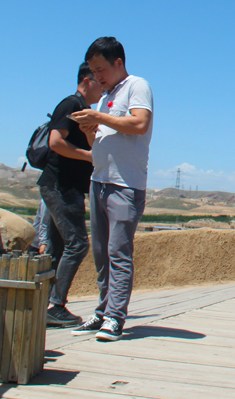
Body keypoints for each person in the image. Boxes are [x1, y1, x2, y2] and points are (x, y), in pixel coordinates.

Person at [70, 38, 153, 342]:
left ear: (118, 62)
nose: (96, 77)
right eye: (92, 71)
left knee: (118, 252)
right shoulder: (107, 97)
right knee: (101, 253)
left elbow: (140, 123)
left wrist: (99, 117)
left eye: (100, 69)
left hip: (124, 184)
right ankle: (104, 310)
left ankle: (116, 317)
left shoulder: (136, 85)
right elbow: (100, 144)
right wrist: (91, 132)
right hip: (100, 181)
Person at [38, 62, 102, 327]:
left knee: (58, 246)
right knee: (77, 244)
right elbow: (55, 141)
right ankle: (55, 305)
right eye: (99, 80)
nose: (103, 86)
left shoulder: (84, 109)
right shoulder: (71, 105)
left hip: (67, 187)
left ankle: (42, 303)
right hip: (60, 186)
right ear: (86, 80)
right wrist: (89, 156)